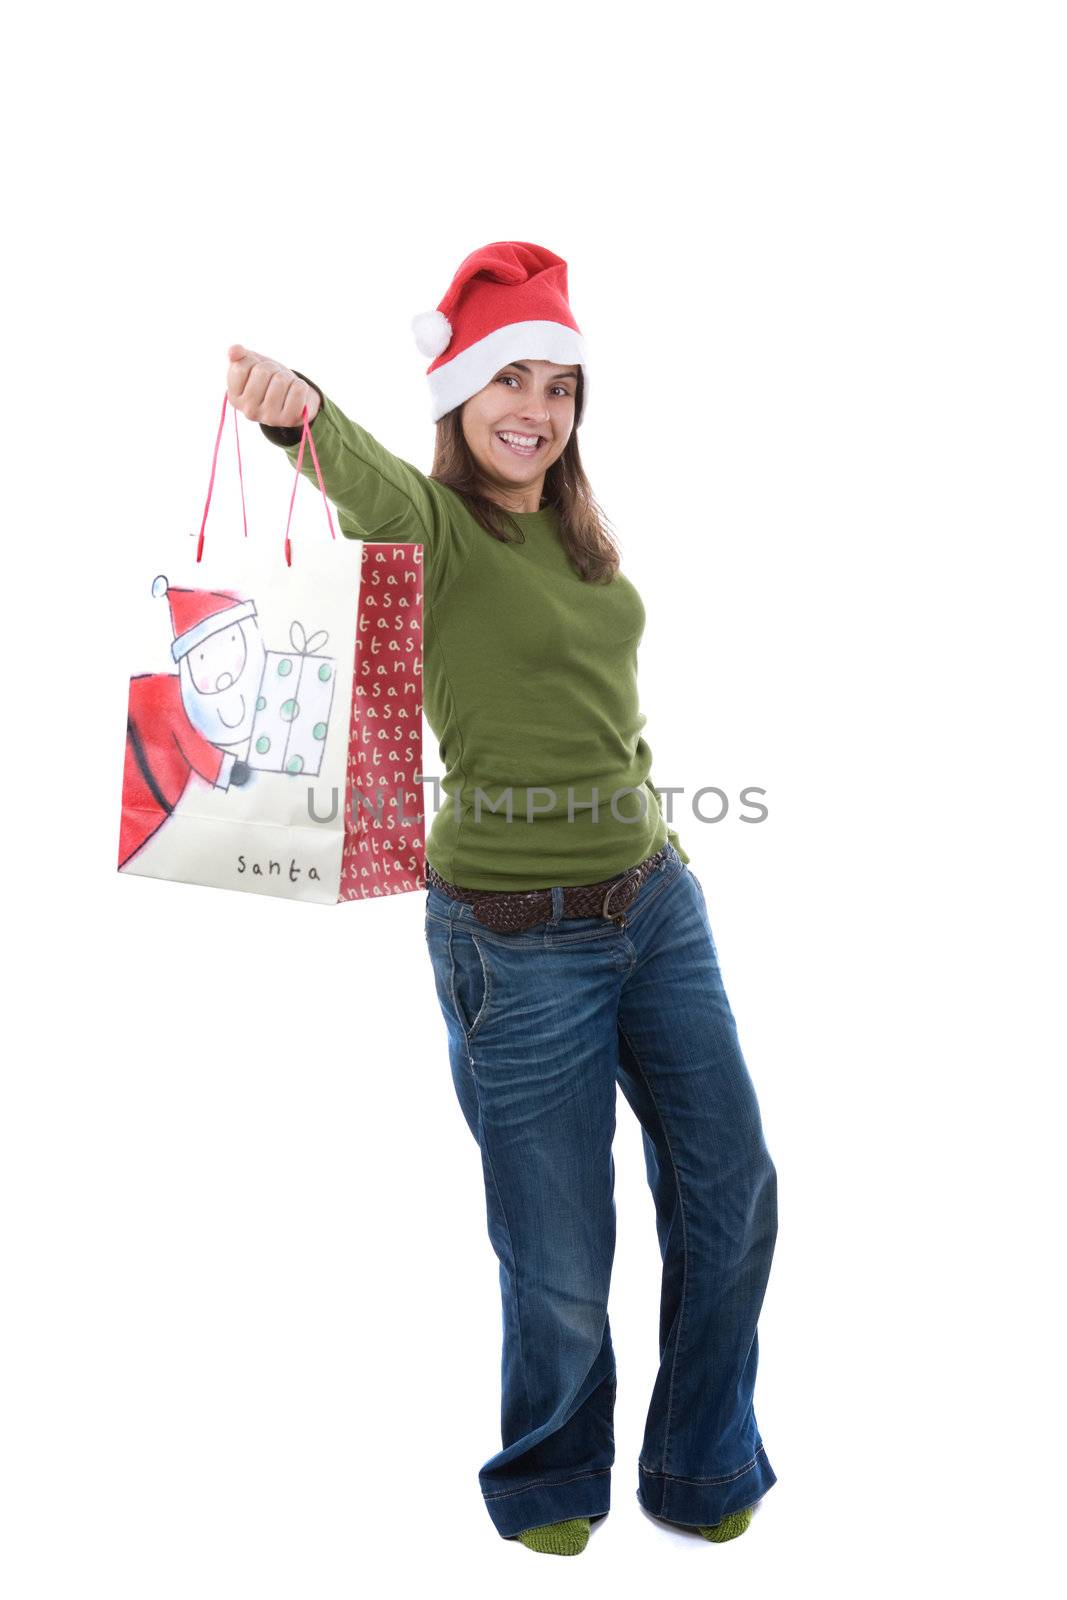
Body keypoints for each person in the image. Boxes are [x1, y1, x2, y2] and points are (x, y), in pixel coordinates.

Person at [226, 240, 778, 1557]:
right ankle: (549, 1479)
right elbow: (360, 483)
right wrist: (296, 407)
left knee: (732, 1185)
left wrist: (666, 861)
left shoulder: (578, 535)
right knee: (559, 1257)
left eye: (560, 384)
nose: (538, 408)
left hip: (655, 903)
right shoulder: (435, 525)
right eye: (509, 381)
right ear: (460, 397)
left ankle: (701, 1466)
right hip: (516, 940)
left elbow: (608, 720)